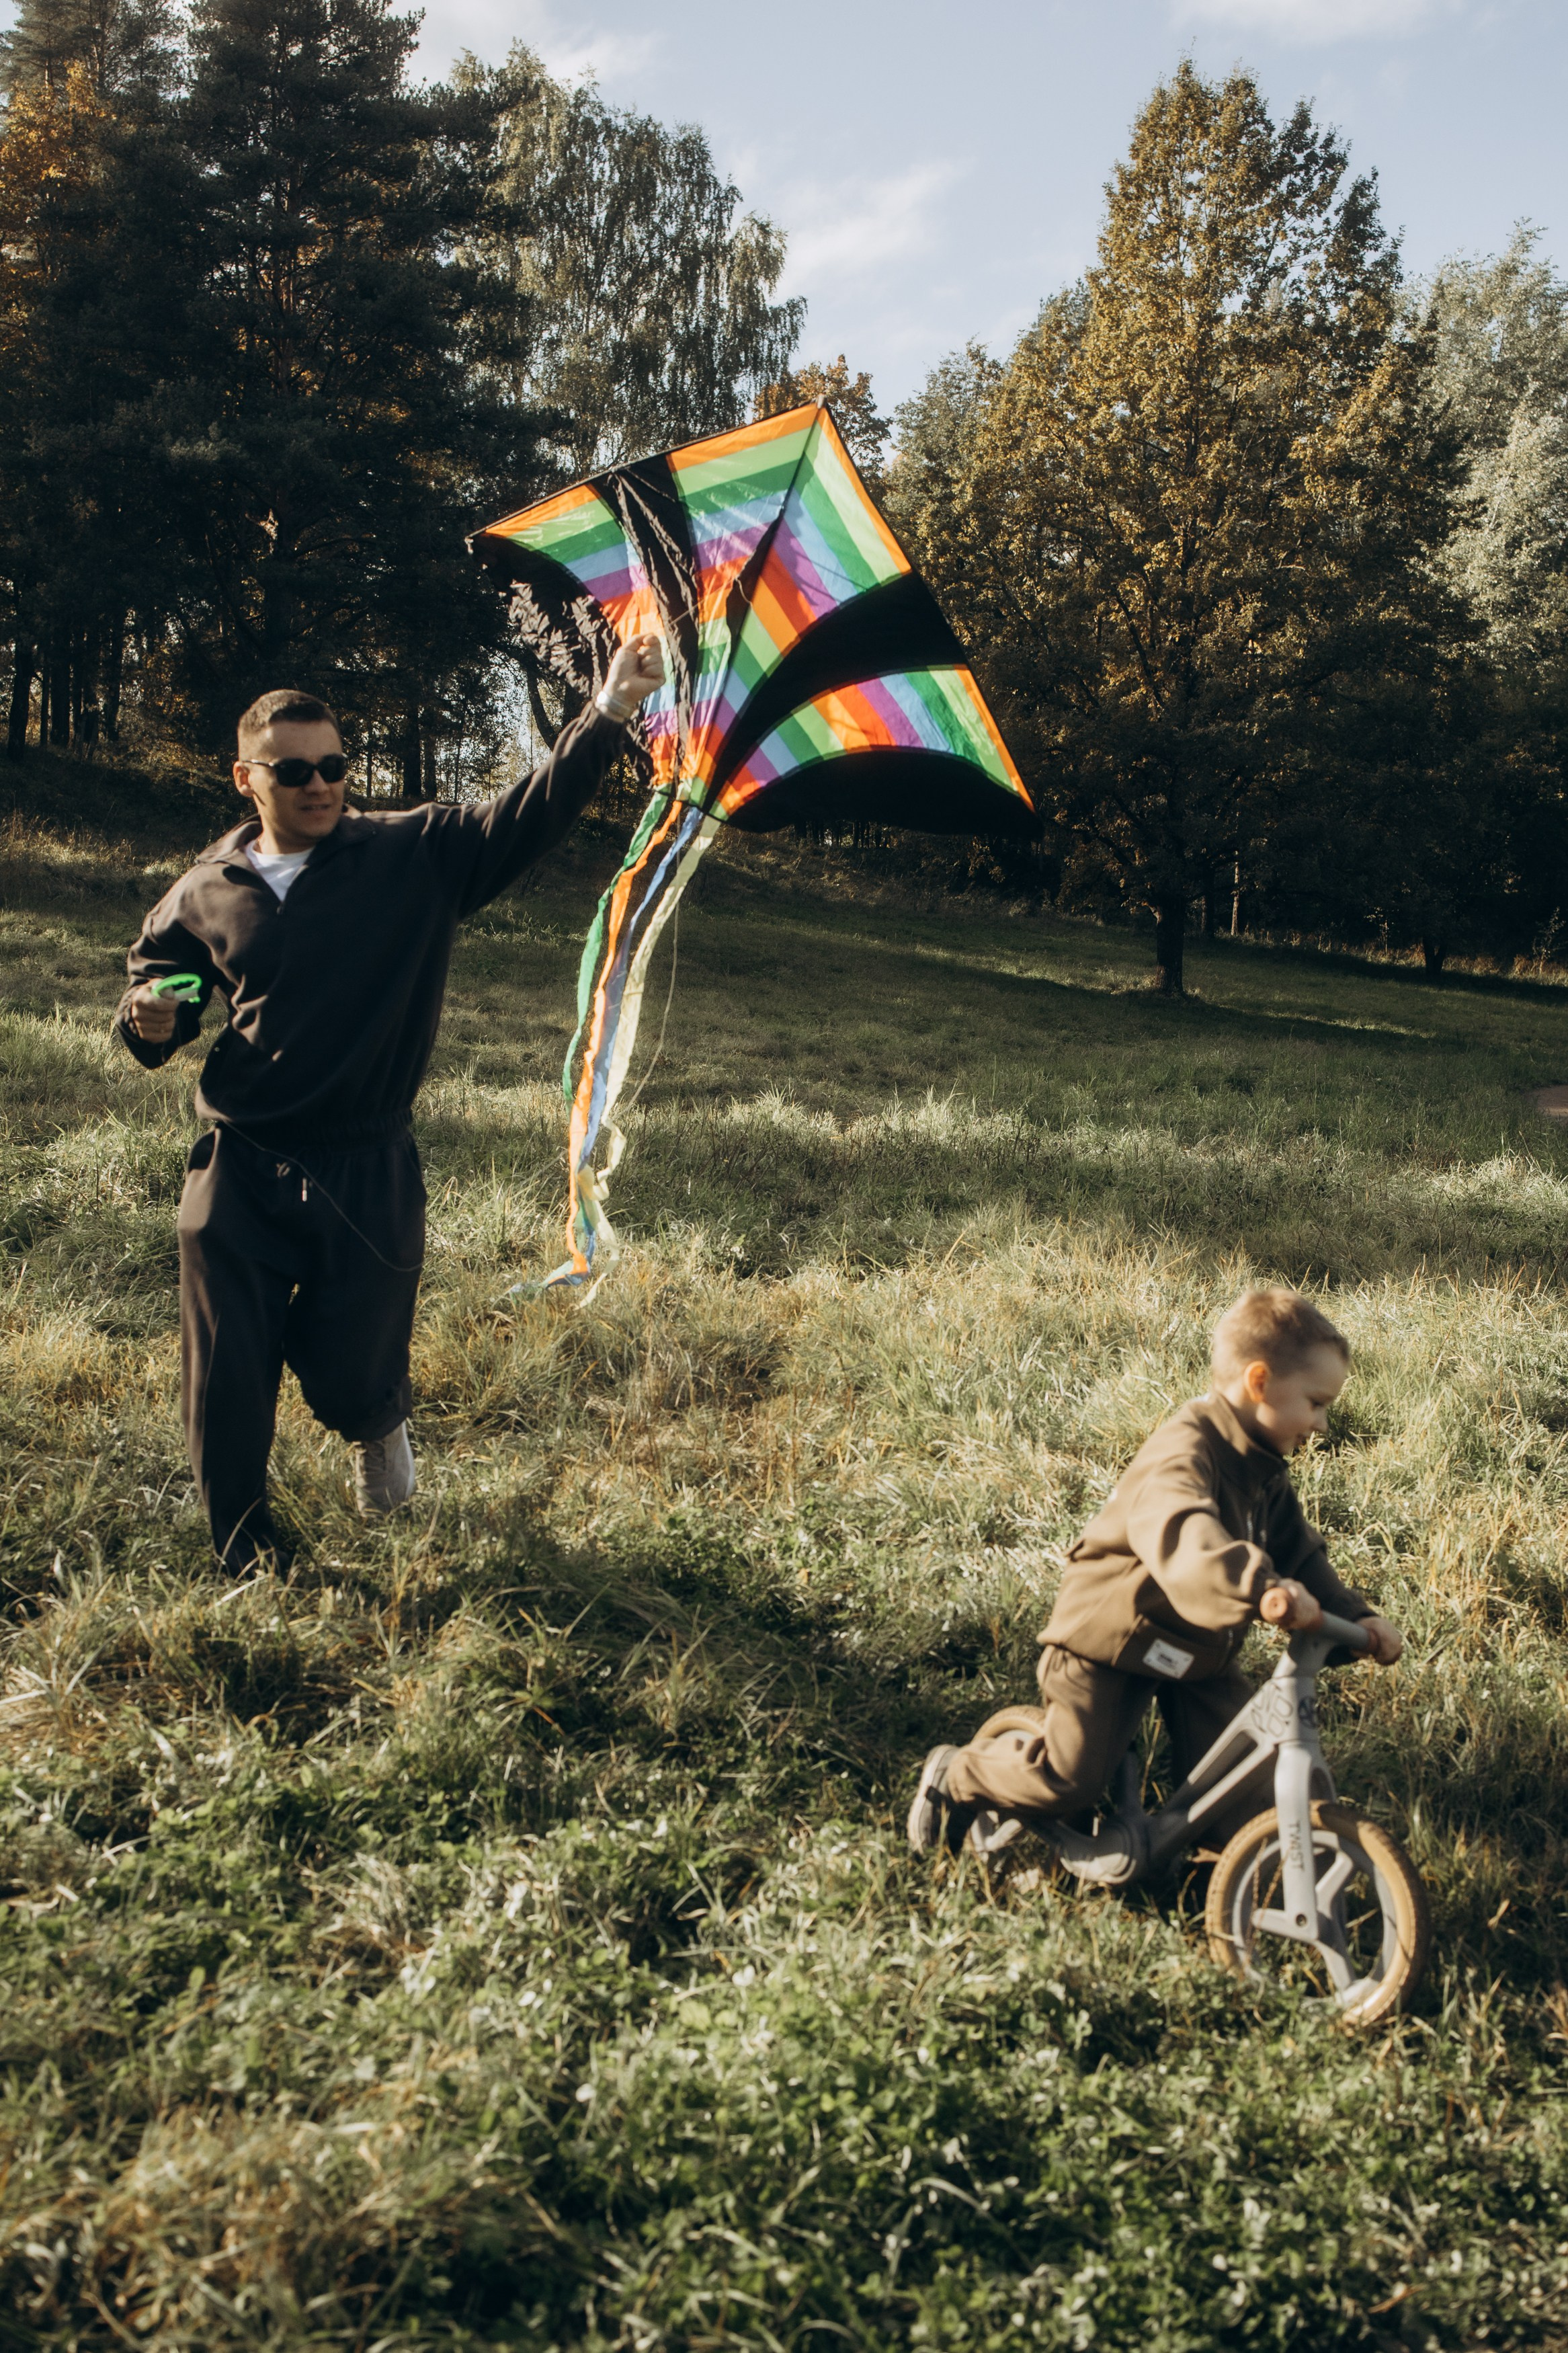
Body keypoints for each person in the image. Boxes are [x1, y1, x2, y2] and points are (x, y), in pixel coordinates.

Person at [116, 638, 664, 1572]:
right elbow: (156, 1003)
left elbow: (530, 816)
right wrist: (151, 1022)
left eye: (334, 766)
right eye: (295, 772)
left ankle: (372, 1418)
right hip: (240, 1160)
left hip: (365, 1162)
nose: (321, 785)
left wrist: (607, 709)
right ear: (246, 777)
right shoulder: (205, 891)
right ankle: (243, 1552)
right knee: (228, 1367)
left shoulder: (417, 852)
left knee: (349, 1356)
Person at [907, 1287, 1405, 1868]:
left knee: (1243, 1767)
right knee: (1069, 1779)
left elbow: (1299, 1553)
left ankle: (1240, 1859)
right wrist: (1256, 1584)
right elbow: (1182, 1528)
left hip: (1194, 1644)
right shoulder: (1186, 1447)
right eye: (1316, 1403)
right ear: (1259, 1381)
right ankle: (960, 1773)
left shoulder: (1263, 1466)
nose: (1321, 1424)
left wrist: (1356, 1615)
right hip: (1114, 1633)